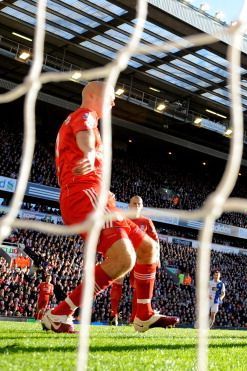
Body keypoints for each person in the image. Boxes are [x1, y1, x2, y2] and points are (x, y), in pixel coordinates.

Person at [43, 81, 178, 333]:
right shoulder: (85, 116)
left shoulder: (84, 120)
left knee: (148, 248)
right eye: (111, 97)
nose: (114, 102)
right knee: (123, 259)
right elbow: (85, 142)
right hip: (85, 197)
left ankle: (144, 314)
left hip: (96, 196)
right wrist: (88, 155)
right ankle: (60, 313)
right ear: (95, 95)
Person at [109, 195, 159, 326]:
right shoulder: (122, 219)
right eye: (134, 203)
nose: (136, 206)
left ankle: (134, 319)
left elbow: (155, 241)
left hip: (140, 260)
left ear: (142, 206)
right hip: (124, 256)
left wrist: (157, 258)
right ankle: (113, 315)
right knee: (118, 281)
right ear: (129, 205)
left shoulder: (147, 222)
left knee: (138, 288)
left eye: (139, 204)